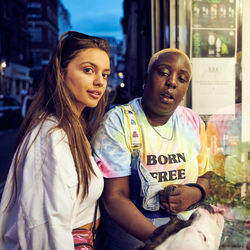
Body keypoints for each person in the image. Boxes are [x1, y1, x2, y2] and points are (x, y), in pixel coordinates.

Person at [91, 48, 211, 249]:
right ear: (146, 78)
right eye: (163, 73)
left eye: (182, 79)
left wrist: (195, 192)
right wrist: (163, 241)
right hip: (134, 243)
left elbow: (207, 175)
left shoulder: (192, 122)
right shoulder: (119, 122)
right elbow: (114, 197)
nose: (172, 82)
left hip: (184, 239)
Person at [0, 31, 111, 249]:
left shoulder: (75, 128)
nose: (99, 81)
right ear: (61, 73)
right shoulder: (52, 136)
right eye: (88, 70)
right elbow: (45, 226)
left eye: (105, 74)